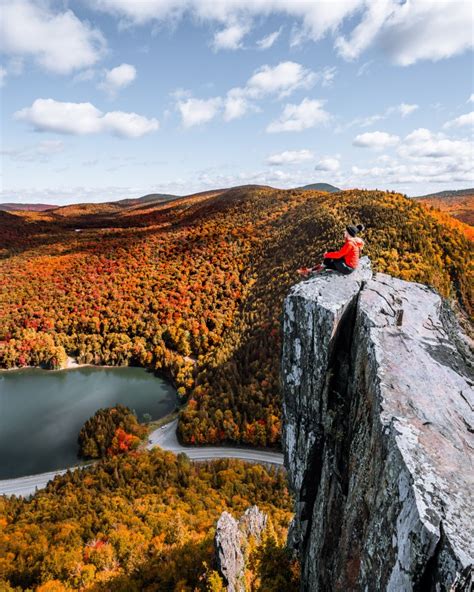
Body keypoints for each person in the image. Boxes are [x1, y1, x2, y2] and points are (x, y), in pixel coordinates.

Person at [298, 224, 365, 277]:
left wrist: (326, 255)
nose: (344, 232)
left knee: (332, 255)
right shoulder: (354, 241)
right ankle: (310, 270)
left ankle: (314, 269)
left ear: (348, 233)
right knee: (329, 261)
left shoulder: (350, 243)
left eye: (345, 231)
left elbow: (338, 255)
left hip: (347, 268)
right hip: (348, 264)